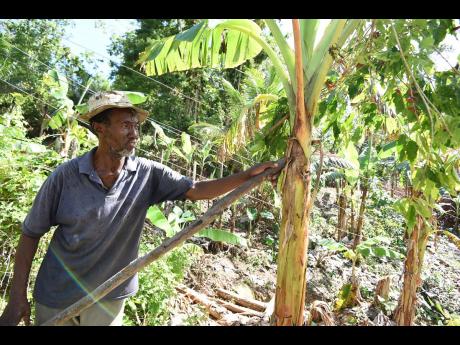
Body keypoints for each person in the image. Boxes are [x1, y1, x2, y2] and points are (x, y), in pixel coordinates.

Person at [0, 91, 280, 326]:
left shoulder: (147, 174)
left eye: (136, 126)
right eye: (125, 126)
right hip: (56, 295)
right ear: (100, 128)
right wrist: (16, 297)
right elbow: (30, 234)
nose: (134, 133)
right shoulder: (65, 177)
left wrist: (247, 175)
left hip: (107, 298)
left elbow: (195, 190)